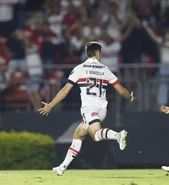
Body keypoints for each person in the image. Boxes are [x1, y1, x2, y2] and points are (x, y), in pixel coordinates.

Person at [38, 41, 136, 176]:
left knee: (96, 135)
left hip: (89, 108)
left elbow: (65, 90)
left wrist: (51, 105)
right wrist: (130, 98)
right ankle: (62, 167)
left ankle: (117, 136)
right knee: (78, 135)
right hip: (102, 109)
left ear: (86, 53)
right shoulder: (105, 69)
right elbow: (121, 91)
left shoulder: (80, 69)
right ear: (98, 53)